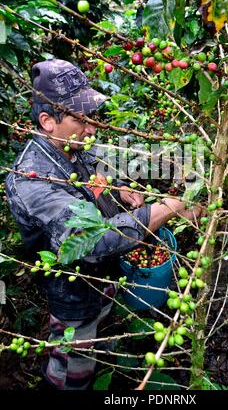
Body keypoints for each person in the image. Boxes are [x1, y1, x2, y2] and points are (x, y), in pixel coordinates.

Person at [5, 59, 202, 390]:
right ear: (47, 121)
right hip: (74, 295)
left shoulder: (73, 147)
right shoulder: (30, 181)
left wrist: (114, 187)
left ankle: (98, 351)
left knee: (98, 334)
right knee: (73, 368)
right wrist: (169, 207)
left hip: (105, 279)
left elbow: (92, 172)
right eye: (80, 119)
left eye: (90, 118)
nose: (91, 129)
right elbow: (90, 239)